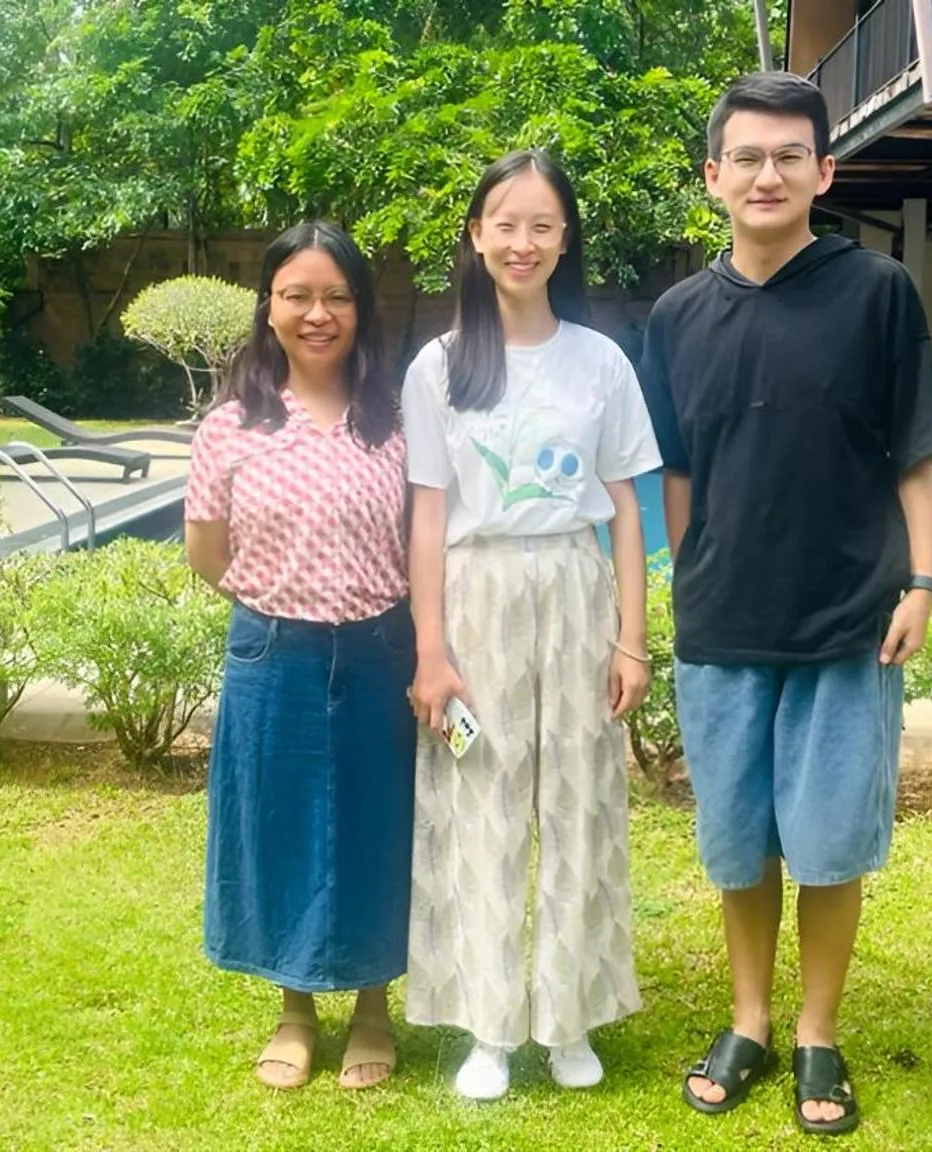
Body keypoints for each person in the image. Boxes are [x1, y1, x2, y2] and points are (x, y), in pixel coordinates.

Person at [636, 72, 932, 1135]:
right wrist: (691, 575)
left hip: (846, 620)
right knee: (737, 842)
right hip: (723, 625)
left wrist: (923, 578)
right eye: (745, 158)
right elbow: (675, 473)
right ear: (712, 177)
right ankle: (750, 1020)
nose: (765, 176)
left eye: (788, 157)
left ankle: (817, 1032)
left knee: (827, 841)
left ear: (824, 170)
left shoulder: (877, 293)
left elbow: (914, 452)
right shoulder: (676, 315)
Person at [402, 149, 662, 1102]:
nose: (522, 242)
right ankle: (489, 1025)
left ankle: (568, 1017)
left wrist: (631, 637)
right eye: (504, 224)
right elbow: (427, 514)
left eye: (542, 225)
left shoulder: (601, 361)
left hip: (573, 591)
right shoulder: (437, 367)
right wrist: (431, 651)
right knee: (483, 807)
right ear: (475, 237)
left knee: (580, 806)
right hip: (476, 600)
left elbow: (628, 508)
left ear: (565, 240)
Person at [185, 220, 416, 1092]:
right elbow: (205, 551)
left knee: (375, 826)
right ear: (269, 307)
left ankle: (370, 1007)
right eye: (298, 295)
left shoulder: (393, 419)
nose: (318, 313)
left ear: (360, 307)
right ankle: (293, 1009)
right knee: (277, 830)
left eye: (336, 296)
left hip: (380, 652)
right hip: (272, 655)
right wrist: (282, 604)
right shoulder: (231, 426)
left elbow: (420, 540)